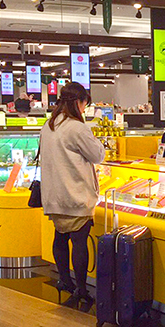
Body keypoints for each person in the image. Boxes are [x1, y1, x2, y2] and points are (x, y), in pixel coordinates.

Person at [40, 82, 105, 311]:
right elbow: (97, 155)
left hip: (53, 194)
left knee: (60, 238)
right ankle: (82, 289)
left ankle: (64, 281)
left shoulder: (49, 125)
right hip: (75, 194)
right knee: (79, 242)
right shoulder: (78, 128)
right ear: (79, 102)